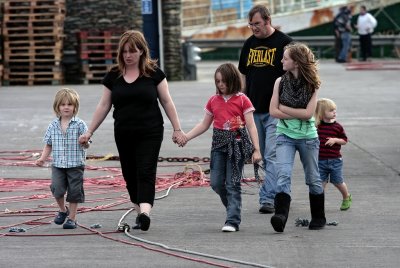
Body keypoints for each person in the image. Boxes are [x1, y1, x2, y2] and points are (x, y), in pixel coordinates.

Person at [78, 30, 185, 231]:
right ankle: (139, 213)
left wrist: (177, 129)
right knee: (129, 173)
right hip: (124, 132)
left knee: (145, 171)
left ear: (142, 51)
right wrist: (89, 131)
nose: (128, 55)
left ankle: (145, 212)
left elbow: (167, 101)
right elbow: (103, 106)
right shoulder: (113, 76)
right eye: (125, 51)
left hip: (150, 132)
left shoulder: (154, 73)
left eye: (133, 51)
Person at [177, 63, 261, 232]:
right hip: (218, 146)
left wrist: (257, 150)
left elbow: (251, 126)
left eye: (224, 81)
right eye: (218, 81)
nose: (221, 85)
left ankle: (232, 220)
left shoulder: (243, 99)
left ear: (233, 80)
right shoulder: (213, 101)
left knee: (232, 184)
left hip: (236, 145)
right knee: (216, 183)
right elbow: (204, 124)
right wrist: (186, 136)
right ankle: (232, 207)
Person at [238, 4, 292, 214]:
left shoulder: (284, 43)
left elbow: (294, 75)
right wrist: (240, 104)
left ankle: (267, 198)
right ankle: (282, 193)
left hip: (276, 111)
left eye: (257, 24)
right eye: (250, 25)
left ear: (268, 20)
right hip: (252, 110)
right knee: (258, 155)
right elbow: (243, 75)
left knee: (271, 155)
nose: (254, 28)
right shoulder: (249, 44)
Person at [269, 42, 326, 232]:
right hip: (284, 134)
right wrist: (295, 112)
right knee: (283, 174)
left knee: (313, 177)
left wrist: (283, 108)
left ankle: (318, 217)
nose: (281, 61)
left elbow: (308, 114)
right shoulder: (279, 81)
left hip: (308, 137)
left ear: (296, 62)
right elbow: (272, 111)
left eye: (285, 58)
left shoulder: (313, 83)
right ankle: (280, 215)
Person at [35, 88, 89, 229]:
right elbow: (48, 144)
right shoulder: (53, 125)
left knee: (74, 192)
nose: (66, 107)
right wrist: (42, 158)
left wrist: (85, 142)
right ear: (57, 106)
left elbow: (87, 144)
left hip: (75, 164)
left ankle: (72, 219)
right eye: (63, 104)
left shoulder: (80, 124)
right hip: (58, 165)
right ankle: (63, 210)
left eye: (69, 104)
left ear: (75, 106)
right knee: (57, 189)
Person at [315, 98, 352, 211]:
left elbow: (345, 140)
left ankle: (346, 197)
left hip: (335, 160)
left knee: (338, 182)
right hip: (320, 160)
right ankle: (319, 204)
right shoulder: (317, 127)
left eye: (335, 110)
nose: (334, 112)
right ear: (322, 113)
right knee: (321, 184)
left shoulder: (338, 127)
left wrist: (335, 140)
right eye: (331, 110)